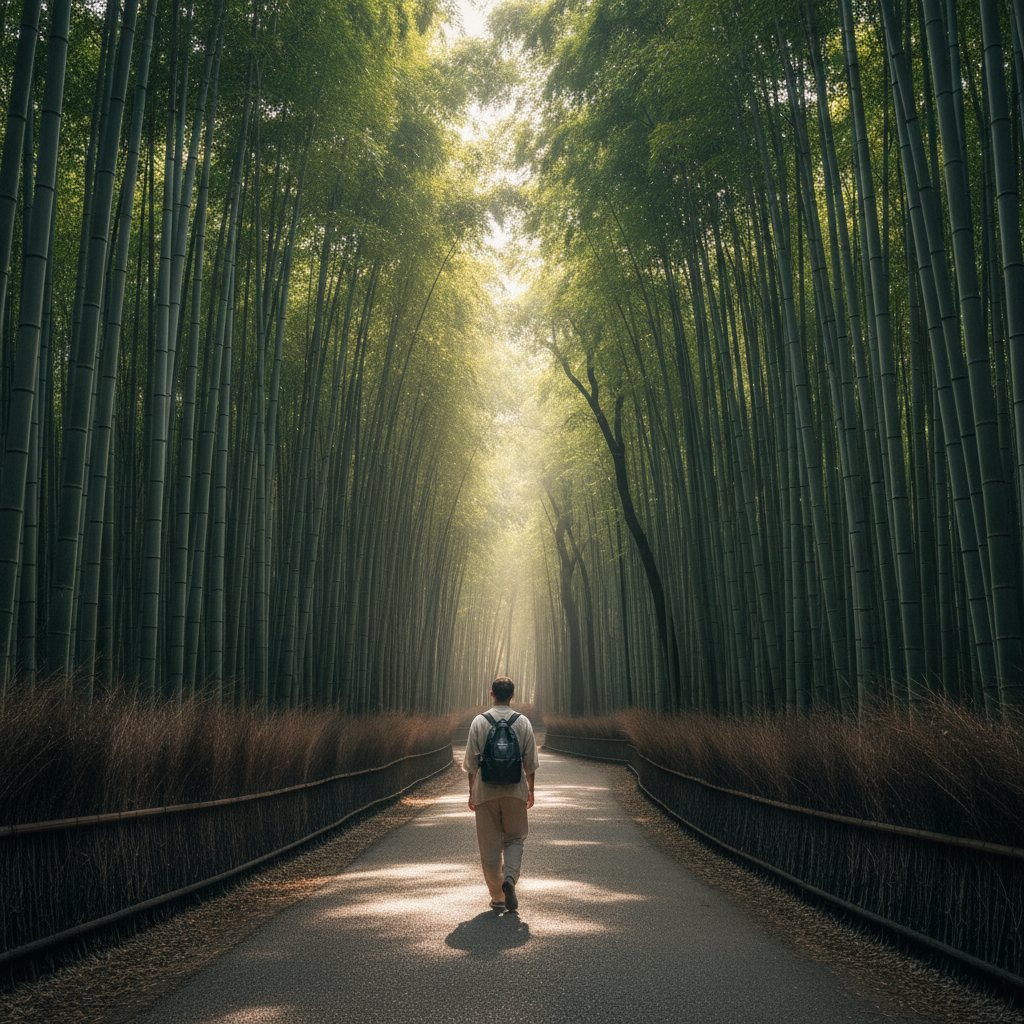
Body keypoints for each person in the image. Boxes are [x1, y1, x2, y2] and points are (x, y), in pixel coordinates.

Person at [463, 677, 538, 912]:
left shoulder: (479, 721)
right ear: (513, 696)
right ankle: (510, 879)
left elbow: (470, 763)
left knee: (489, 846)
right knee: (515, 838)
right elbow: (531, 762)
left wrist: (471, 792)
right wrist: (531, 791)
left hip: (485, 792)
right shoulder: (523, 722)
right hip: (515, 791)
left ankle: (497, 897)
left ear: (491, 694)